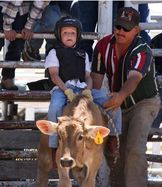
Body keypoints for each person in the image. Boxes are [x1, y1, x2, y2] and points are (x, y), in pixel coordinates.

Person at [91, 7, 160, 187]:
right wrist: (90, 101)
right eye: (118, 26)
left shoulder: (142, 50)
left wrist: (120, 96)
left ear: (136, 30)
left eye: (126, 28)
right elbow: (96, 82)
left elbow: (134, 78)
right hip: (116, 103)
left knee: (134, 151)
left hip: (143, 103)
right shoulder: (102, 46)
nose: (120, 31)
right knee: (115, 153)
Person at [45, 16, 122, 168]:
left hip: (82, 87)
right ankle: (54, 147)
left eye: (72, 33)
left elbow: (88, 76)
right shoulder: (54, 52)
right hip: (63, 87)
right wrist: (66, 90)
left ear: (77, 35)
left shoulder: (83, 54)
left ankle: (113, 136)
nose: (69, 36)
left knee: (112, 101)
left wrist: (88, 89)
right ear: (59, 35)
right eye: (65, 33)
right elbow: (54, 75)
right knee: (55, 107)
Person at [0, 1, 49, 90]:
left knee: (18, 43)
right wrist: (7, 26)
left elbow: (40, 4)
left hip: (22, 9)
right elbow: (14, 3)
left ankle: (7, 77)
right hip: (4, 5)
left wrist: (28, 26)